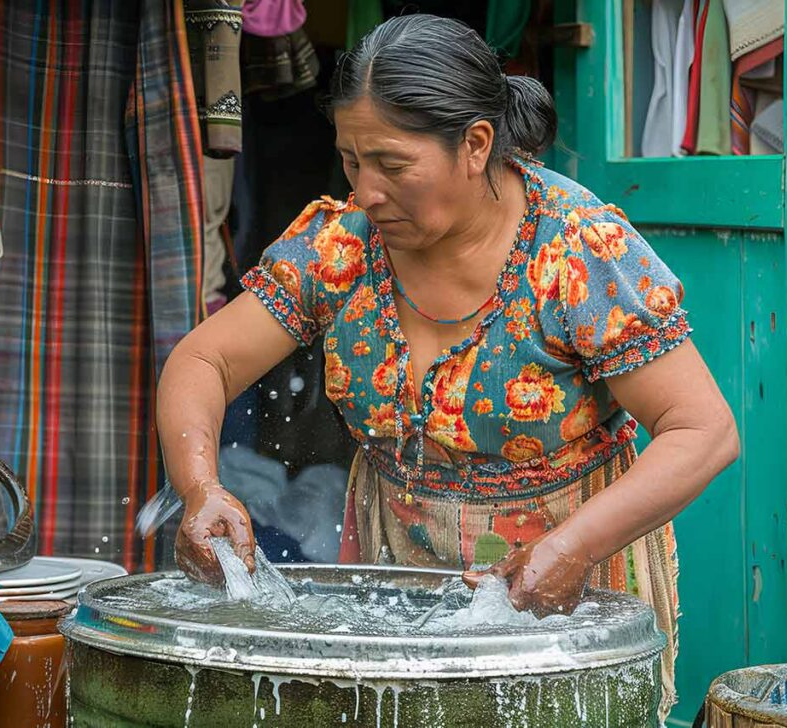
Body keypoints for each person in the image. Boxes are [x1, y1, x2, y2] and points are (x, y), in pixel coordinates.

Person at [152, 13, 738, 714]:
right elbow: (204, 359)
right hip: (398, 591)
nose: (368, 191)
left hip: (570, 590)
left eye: (393, 165)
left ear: (476, 145)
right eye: (352, 161)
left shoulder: (576, 252)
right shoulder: (342, 249)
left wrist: (575, 547)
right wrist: (200, 487)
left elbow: (703, 430)